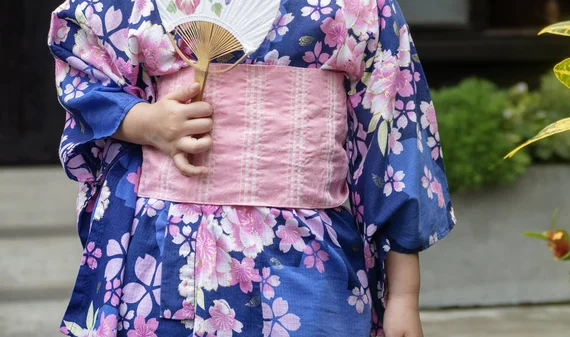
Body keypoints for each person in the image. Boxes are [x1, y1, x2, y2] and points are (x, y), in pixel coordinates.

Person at [48, 0, 456, 336]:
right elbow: (86, 68)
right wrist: (147, 123)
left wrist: (403, 295)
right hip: (169, 247)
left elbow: (393, 140)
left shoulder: (360, 6)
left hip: (307, 249)